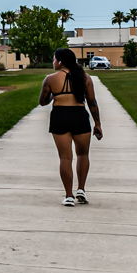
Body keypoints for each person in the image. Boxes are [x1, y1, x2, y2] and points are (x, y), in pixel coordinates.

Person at [40, 47, 103, 207]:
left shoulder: (50, 79)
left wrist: (55, 95)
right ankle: (81, 189)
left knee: (65, 158)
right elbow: (92, 102)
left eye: (54, 59)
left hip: (60, 116)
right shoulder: (85, 77)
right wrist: (97, 124)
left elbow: (42, 102)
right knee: (83, 155)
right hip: (79, 116)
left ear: (60, 61)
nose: (53, 62)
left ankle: (69, 196)